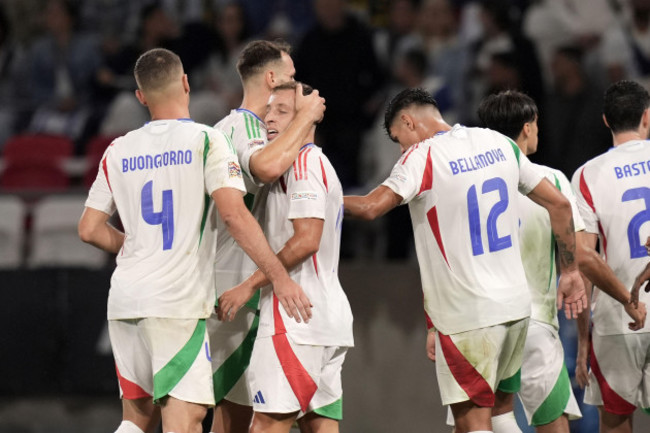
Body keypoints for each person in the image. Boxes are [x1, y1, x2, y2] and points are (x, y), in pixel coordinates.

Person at [78, 48, 311, 433]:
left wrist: (137, 248)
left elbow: (89, 228)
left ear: (140, 97)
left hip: (124, 301)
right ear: (186, 83)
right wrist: (280, 277)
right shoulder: (205, 140)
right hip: (176, 303)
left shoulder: (117, 149)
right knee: (186, 418)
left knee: (135, 420)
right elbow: (236, 216)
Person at [344, 88, 587, 433]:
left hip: (468, 316)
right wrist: (571, 271)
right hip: (517, 309)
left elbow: (370, 208)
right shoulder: (498, 143)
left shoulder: (422, 156)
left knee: (473, 425)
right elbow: (561, 205)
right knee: (501, 415)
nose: (402, 151)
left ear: (409, 121)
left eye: (400, 140)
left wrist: (320, 199)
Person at [217, 81, 352, 433]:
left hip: (294, 319)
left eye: (282, 111)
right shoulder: (309, 165)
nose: (270, 118)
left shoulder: (304, 165)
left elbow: (306, 240)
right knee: (319, 426)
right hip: (323, 318)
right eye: (268, 110)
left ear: (307, 118)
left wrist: (248, 286)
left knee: (266, 425)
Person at [208, 40, 326, 433]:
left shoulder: (246, 128)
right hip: (232, 290)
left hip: (247, 289)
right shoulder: (243, 127)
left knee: (243, 418)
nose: (297, 88)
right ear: (272, 78)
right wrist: (305, 117)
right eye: (291, 79)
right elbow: (268, 166)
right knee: (229, 420)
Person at [572, 79, 650, 433]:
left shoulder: (587, 175)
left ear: (605, 120)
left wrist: (583, 342)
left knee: (616, 423)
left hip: (618, 320)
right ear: (646, 118)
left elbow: (585, 260)